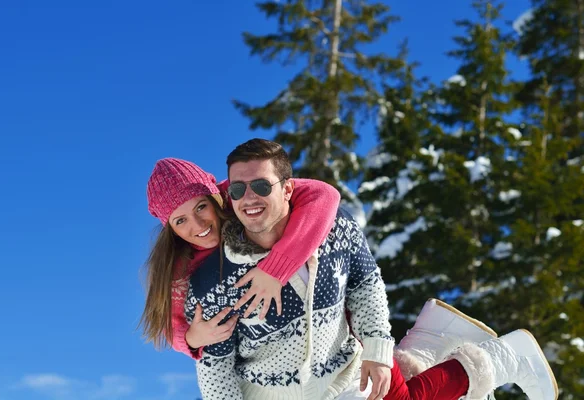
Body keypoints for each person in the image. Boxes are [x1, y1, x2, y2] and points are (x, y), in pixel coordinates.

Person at [177, 139, 558, 400]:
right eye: (238, 190)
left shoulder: (332, 227)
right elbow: (216, 369)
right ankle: (454, 347)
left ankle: (498, 357)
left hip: (344, 376)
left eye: (261, 185)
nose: (249, 199)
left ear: (288, 189)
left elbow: (365, 283)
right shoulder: (213, 281)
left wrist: (377, 349)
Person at [140, 156, 342, 359]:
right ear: (171, 228)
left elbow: (323, 194)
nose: (199, 225)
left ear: (215, 197)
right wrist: (192, 338)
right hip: (258, 356)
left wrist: (276, 269)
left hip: (326, 326)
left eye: (201, 207)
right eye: (181, 220)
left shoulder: (239, 194)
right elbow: (171, 324)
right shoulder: (178, 266)